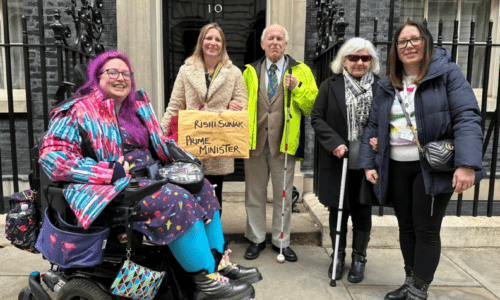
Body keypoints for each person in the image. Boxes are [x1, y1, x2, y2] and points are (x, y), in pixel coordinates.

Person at [39, 50, 261, 300]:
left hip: (149, 178)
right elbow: (52, 157)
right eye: (112, 72)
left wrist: (179, 152)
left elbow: (158, 142)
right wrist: (107, 170)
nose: (120, 78)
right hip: (113, 188)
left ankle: (219, 265)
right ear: (97, 77)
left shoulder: (135, 109)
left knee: (205, 188)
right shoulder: (77, 110)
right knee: (178, 200)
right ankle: (205, 282)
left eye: (125, 73)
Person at [358, 21, 485, 300]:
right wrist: (369, 163)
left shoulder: (447, 74)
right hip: (396, 165)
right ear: (396, 49)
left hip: (432, 167)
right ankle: (410, 280)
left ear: (425, 43)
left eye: (414, 39)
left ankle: (419, 290)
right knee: (405, 226)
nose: (409, 46)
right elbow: (372, 126)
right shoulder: (387, 83)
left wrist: (467, 164)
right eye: (402, 42)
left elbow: (467, 117)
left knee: (426, 229)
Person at [242, 24, 318, 262]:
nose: (275, 42)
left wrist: (298, 88)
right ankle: (255, 239)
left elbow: (311, 106)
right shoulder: (250, 71)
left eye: (280, 39)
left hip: (284, 143)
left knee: (283, 196)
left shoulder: (302, 71)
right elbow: (242, 102)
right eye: (270, 38)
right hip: (255, 143)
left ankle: (281, 241)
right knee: (254, 194)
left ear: (286, 44)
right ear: (263, 44)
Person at [311, 37, 380, 283]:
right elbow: (317, 118)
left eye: (365, 58)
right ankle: (338, 256)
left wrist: (381, 138)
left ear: (371, 61)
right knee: (337, 210)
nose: (359, 62)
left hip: (367, 162)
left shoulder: (381, 87)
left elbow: (390, 120)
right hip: (339, 160)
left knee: (362, 209)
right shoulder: (330, 85)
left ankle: (359, 258)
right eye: (354, 57)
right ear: (344, 60)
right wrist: (335, 143)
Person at [161, 23, 248, 213]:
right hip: (192, 143)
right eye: (209, 38)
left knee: (215, 197)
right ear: (201, 42)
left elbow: (243, 104)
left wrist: (236, 106)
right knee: (190, 196)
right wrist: (161, 134)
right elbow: (175, 105)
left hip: (219, 145)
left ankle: (215, 241)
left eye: (217, 40)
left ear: (223, 45)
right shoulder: (186, 70)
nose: (213, 43)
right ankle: (195, 240)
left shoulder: (234, 73)